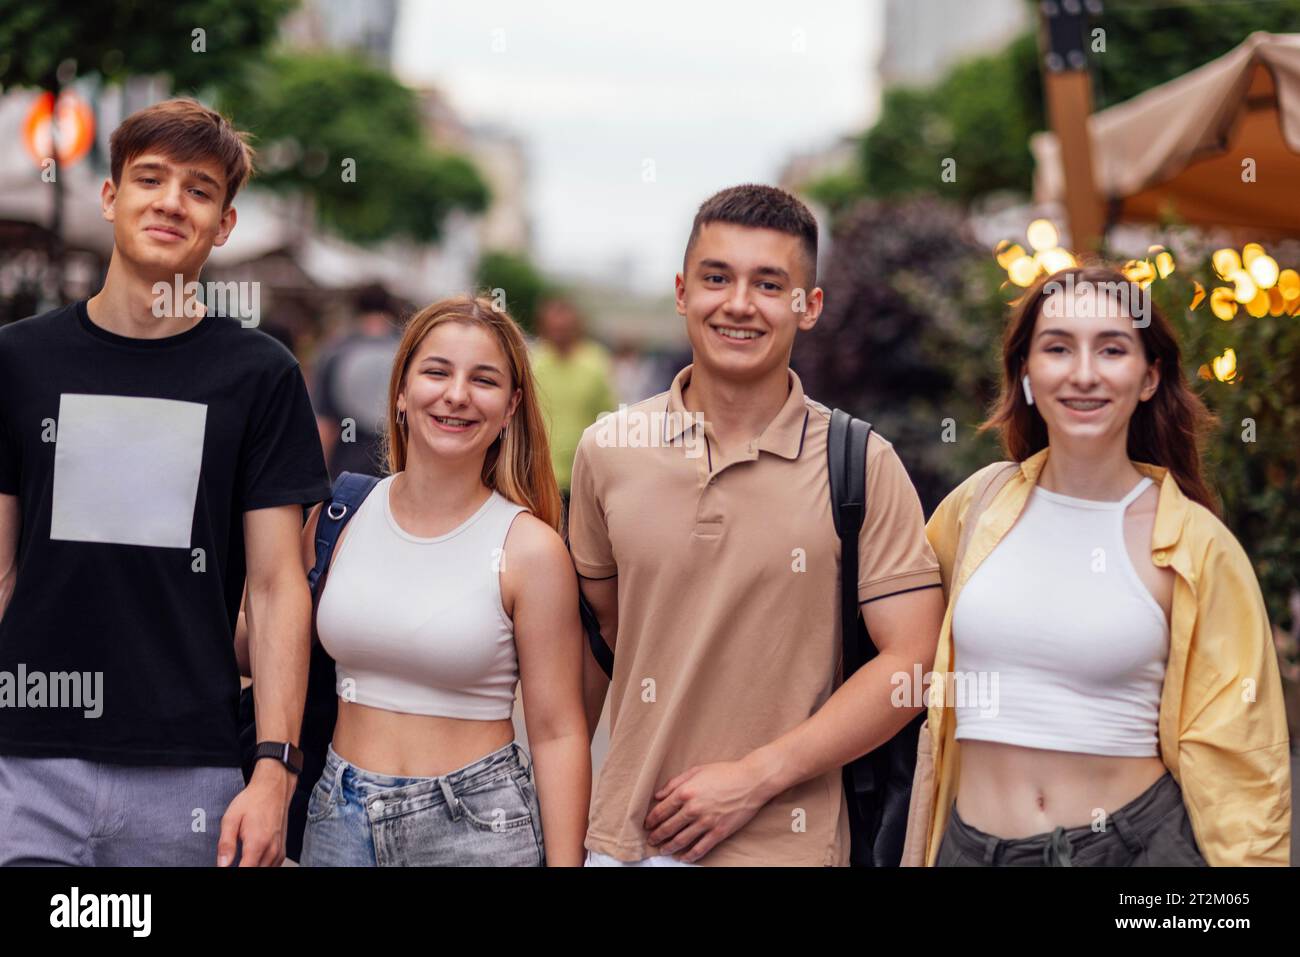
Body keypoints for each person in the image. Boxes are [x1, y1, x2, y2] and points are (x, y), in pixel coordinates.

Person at [569, 184, 946, 866]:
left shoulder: (861, 463)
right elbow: (601, 635)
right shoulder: (608, 449)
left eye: (769, 284)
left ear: (810, 307)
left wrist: (756, 776)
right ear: (682, 292)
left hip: (792, 846)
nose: (739, 303)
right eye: (718, 278)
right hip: (626, 842)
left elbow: (911, 662)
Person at [0, 98, 332, 866]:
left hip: (193, 772)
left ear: (224, 224)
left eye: (199, 189)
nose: (170, 201)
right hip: (26, 760)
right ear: (111, 196)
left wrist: (274, 772)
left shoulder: (260, 376)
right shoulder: (19, 360)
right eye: (149, 178)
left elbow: (280, 586)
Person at [921, 264, 1292, 866]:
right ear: (1027, 375)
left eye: (1112, 349)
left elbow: (1243, 759)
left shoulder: (1197, 544)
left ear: (1148, 377)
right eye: (1058, 348)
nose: (1084, 374)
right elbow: (891, 641)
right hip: (969, 849)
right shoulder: (973, 508)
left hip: (1135, 852)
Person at [295, 296, 590, 866]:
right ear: (401, 392)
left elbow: (558, 733)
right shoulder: (338, 515)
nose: (456, 394)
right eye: (436, 372)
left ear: (510, 408)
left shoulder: (530, 549)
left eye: (484, 380)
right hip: (337, 818)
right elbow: (262, 643)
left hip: (477, 827)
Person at [529, 295, 619, 501]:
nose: (559, 334)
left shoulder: (596, 362)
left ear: (577, 327)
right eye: (554, 328)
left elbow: (608, 418)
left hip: (583, 476)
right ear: (543, 328)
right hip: (538, 475)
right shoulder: (531, 362)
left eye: (565, 328)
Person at [313, 283, 402, 479]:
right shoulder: (405, 350)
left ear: (356, 309)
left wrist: (318, 477)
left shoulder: (337, 350)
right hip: (398, 466)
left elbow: (325, 425)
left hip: (347, 468)